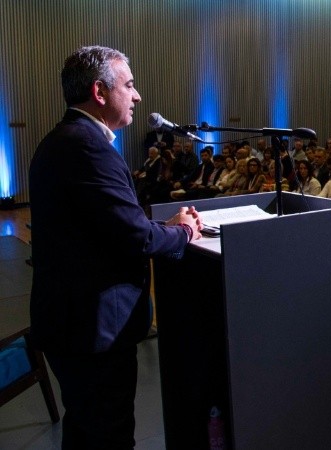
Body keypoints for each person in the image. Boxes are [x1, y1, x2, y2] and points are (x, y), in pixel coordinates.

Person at [28, 46, 202, 448]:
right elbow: (135, 238)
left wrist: (164, 226)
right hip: (93, 330)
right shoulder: (87, 147)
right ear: (99, 92)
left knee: (87, 431)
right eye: (129, 84)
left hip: (72, 324)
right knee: (109, 436)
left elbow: (107, 226)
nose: (137, 95)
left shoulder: (65, 139)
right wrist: (185, 233)